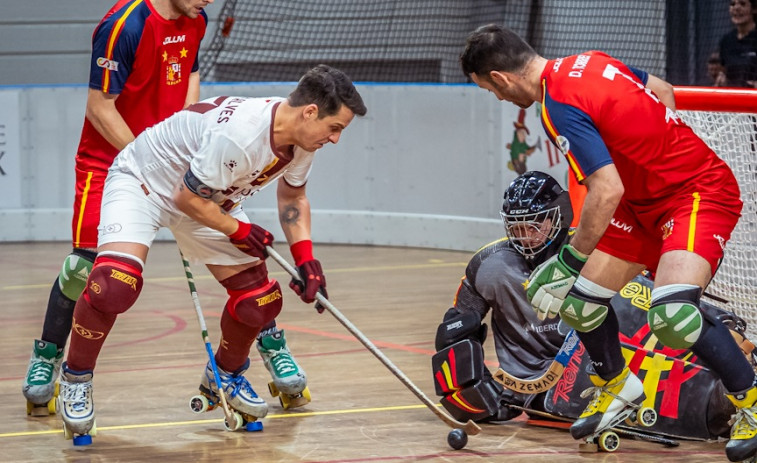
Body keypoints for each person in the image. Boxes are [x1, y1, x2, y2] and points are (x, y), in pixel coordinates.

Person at [460, 24, 757, 462]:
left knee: (673, 316)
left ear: (501, 78)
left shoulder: (557, 105)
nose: (499, 99)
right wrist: (653, 155)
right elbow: (664, 90)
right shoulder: (592, 61)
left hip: (695, 194)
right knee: (579, 305)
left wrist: (569, 258)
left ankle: (750, 401)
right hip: (641, 206)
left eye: (491, 90)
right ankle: (618, 387)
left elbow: (605, 191)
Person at [55, 64, 367, 439]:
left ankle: (226, 375)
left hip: (207, 196)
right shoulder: (241, 135)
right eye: (335, 128)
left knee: (261, 299)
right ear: (310, 112)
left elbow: (293, 195)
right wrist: (239, 229)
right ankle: (75, 377)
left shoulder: (301, 139)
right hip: (146, 183)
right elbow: (184, 198)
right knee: (114, 283)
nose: (335, 139)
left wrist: (306, 259)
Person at [431, 171, 744, 441]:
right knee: (695, 399)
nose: (524, 237)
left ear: (559, 216)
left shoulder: (593, 251)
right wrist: (471, 393)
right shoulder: (489, 264)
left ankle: (734, 352)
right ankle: (722, 406)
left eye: (534, 226)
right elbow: (455, 331)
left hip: (603, 357)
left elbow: (642, 297)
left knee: (645, 304)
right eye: (516, 227)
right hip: (543, 389)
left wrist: (714, 322)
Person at [718, 0, 757, 88]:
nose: (736, 8)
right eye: (732, 4)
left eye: (742, 4)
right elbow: (722, 71)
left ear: (754, 9)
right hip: (733, 97)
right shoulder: (726, 41)